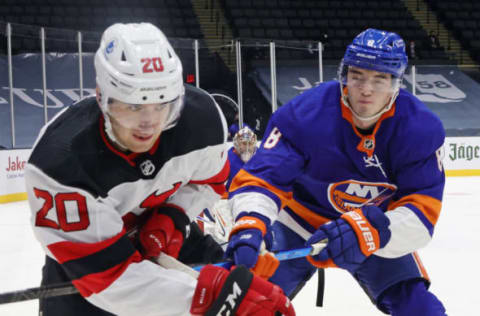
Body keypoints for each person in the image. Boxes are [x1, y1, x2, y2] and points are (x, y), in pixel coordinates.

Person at [24, 23, 294, 316]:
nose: (149, 124)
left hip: (171, 242)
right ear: (103, 97)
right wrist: (210, 293)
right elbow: (111, 281)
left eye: (161, 105)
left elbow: (209, 182)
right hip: (91, 263)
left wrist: (174, 216)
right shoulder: (60, 163)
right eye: (133, 107)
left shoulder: (201, 120)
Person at [226, 28, 447, 315]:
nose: (366, 89)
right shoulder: (306, 113)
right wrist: (251, 223)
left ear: (396, 83)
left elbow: (422, 212)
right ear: (344, 74)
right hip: (296, 223)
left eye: (379, 79)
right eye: (358, 76)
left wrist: (370, 231)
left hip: (370, 226)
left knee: (420, 308)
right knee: (245, 302)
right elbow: (263, 178)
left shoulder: (420, 128)